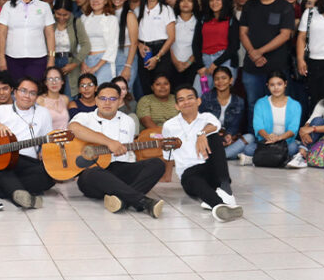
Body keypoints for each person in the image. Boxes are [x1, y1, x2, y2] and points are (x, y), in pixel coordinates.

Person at [70, 82, 166, 217]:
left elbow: (131, 150)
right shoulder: (84, 117)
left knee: (157, 164)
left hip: (120, 171)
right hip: (93, 177)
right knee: (93, 172)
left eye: (113, 99)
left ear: (120, 100)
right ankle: (142, 201)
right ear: (96, 100)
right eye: (103, 98)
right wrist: (109, 142)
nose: (107, 102)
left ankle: (122, 200)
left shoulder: (128, 121)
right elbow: (73, 128)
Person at [0, 77, 57, 209]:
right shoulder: (0, 110)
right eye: (23, 91)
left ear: (36, 97)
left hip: (28, 163)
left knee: (49, 176)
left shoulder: (43, 113)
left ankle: (2, 189)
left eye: (32, 93)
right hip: (4, 162)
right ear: (15, 92)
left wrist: (45, 154)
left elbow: (48, 142)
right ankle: (19, 193)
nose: (27, 96)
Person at [163, 86, 242, 221]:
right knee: (196, 181)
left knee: (214, 137)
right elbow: (167, 154)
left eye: (190, 98)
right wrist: (167, 175)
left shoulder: (207, 117)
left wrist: (202, 134)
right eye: (181, 100)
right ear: (176, 106)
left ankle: (225, 188)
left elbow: (216, 126)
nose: (186, 102)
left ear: (198, 101)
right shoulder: (169, 125)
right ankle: (219, 205)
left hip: (210, 168)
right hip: (188, 173)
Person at [238, 0, 295, 131]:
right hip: (252, 66)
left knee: (278, 106)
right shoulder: (250, 5)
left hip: (277, 67)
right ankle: (253, 140)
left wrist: (259, 52)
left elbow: (285, 35)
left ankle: (279, 142)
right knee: (253, 105)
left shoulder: (285, 6)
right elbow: (242, 32)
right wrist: (253, 54)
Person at [0, 0, 54, 83]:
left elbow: (50, 34)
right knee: (17, 91)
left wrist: (51, 58)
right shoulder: (8, 6)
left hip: (38, 58)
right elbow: (2, 34)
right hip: (13, 58)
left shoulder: (44, 6)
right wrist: (1, 57)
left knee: (34, 90)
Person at [199, 67, 252, 160]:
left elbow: (235, 125)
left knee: (249, 137)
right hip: (209, 137)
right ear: (214, 82)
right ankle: (227, 155)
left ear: (231, 80)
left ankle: (217, 157)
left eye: (224, 78)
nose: (220, 81)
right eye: (217, 79)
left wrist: (229, 136)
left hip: (226, 140)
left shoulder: (239, 101)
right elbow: (200, 122)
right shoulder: (206, 98)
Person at [135, 0, 177, 96]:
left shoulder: (166, 10)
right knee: (146, 86)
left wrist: (157, 57)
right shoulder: (138, 10)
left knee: (162, 87)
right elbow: (133, 34)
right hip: (144, 50)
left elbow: (172, 37)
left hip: (161, 50)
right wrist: (139, 45)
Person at [194, 0, 238, 95]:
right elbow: (196, 43)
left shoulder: (231, 20)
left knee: (222, 95)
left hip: (225, 60)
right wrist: (200, 65)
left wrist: (216, 63)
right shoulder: (203, 19)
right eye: (211, 0)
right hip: (205, 61)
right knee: (198, 94)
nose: (214, 3)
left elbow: (234, 46)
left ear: (224, 1)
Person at [251, 71, 302, 159]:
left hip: (286, 141)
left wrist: (278, 138)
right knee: (249, 149)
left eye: (279, 84)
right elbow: (258, 126)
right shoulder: (261, 103)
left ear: (285, 84)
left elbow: (293, 129)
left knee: (293, 148)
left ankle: (263, 158)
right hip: (266, 140)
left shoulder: (295, 105)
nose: (276, 88)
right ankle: (279, 158)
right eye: (272, 85)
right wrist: (268, 137)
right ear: (267, 85)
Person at [38, 66, 71, 131]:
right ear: (45, 82)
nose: (54, 82)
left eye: (57, 78)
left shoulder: (65, 99)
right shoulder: (40, 100)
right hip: (49, 138)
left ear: (62, 81)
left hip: (65, 138)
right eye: (50, 79)